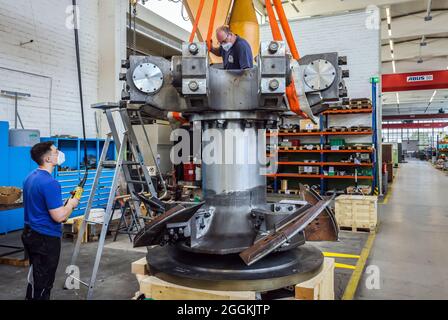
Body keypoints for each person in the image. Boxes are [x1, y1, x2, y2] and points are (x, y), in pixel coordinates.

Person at [21, 141, 79, 300]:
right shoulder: (50, 183)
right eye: (55, 151)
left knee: (36, 276)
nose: (59, 153)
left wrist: (64, 205)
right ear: (47, 159)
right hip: (44, 238)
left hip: (30, 233)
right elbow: (60, 217)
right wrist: (72, 204)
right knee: (44, 281)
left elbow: (43, 206)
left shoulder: (30, 177)